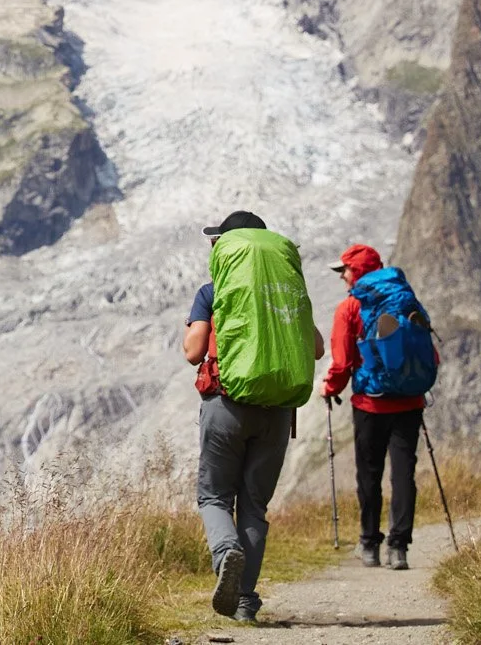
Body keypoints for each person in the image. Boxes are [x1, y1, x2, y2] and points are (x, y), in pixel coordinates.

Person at [184, 210, 325, 624]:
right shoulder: (287, 293)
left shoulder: (212, 292)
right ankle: (245, 601)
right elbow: (315, 348)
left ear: (224, 248)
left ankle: (226, 552)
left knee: (213, 496)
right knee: (254, 505)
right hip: (277, 413)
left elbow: (194, 352)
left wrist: (195, 331)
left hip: (226, 406)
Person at [320, 243, 435, 571]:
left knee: (369, 474)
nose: (342, 276)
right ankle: (398, 548)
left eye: (344, 270)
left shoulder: (350, 308)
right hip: (409, 401)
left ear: (356, 271)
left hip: (370, 403)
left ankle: (369, 544)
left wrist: (329, 389)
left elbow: (342, 362)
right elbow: (428, 349)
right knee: (403, 473)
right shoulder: (407, 298)